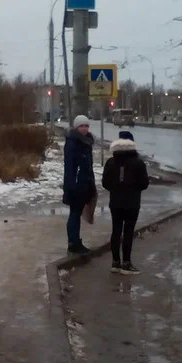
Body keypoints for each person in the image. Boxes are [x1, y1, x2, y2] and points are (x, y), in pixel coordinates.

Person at [102, 130, 149, 275]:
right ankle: (126, 263)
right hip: (132, 202)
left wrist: (116, 189)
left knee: (116, 230)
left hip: (115, 202)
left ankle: (115, 262)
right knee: (128, 232)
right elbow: (144, 183)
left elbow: (105, 183)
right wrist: (133, 189)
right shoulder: (138, 163)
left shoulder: (111, 162)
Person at [63, 115, 96, 254]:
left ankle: (75, 241)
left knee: (76, 214)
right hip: (76, 186)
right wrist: (72, 187)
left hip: (84, 184)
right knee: (75, 214)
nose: (84, 128)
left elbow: (88, 167)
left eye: (86, 126)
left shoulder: (86, 143)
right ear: (76, 127)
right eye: (81, 126)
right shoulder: (73, 143)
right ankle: (74, 243)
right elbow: (70, 167)